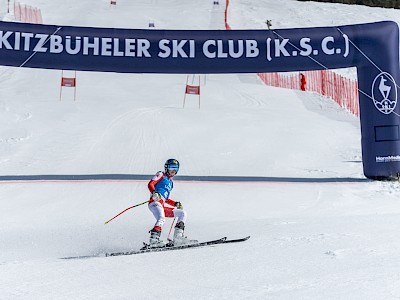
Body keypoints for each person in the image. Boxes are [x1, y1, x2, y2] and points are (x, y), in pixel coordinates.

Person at [147, 159, 189, 247]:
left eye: (176, 168)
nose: (173, 170)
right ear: (166, 168)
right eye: (171, 167)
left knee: (182, 213)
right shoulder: (161, 174)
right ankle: (153, 240)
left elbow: (166, 199)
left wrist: (175, 204)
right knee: (161, 218)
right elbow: (150, 184)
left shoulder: (171, 183)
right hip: (155, 202)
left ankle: (178, 238)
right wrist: (154, 192)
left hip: (161, 205)